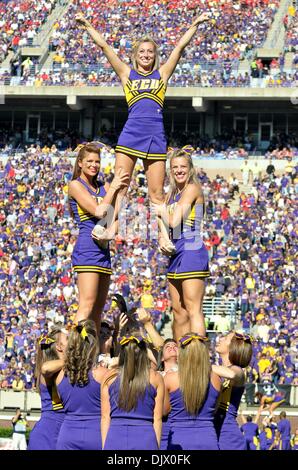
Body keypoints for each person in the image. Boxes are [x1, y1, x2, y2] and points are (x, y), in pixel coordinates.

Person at [75, 11, 212, 208]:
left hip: (155, 135)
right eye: (142, 52)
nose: (146, 55)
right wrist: (87, 25)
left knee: (156, 194)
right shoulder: (126, 73)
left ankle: (165, 237)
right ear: (135, 55)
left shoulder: (162, 74)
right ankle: (109, 229)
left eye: (150, 52)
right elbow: (105, 47)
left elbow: (180, 48)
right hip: (131, 133)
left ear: (155, 56)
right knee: (120, 187)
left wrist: (195, 24)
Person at [68, 143, 129, 333]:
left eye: (97, 161)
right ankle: (73, 354)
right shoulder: (75, 185)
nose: (94, 165)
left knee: (97, 310)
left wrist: (111, 232)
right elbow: (100, 210)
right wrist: (113, 190)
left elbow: (115, 215)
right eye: (90, 161)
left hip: (103, 249)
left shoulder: (104, 186)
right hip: (87, 246)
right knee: (86, 305)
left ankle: (91, 354)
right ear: (80, 163)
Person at [154, 149, 210, 340]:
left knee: (193, 309)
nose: (179, 170)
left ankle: (198, 357)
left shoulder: (192, 188)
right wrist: (162, 237)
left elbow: (174, 221)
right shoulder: (171, 194)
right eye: (175, 167)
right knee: (178, 312)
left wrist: (161, 210)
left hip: (192, 250)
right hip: (176, 253)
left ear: (190, 169)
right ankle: (179, 358)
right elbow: (163, 223)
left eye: (183, 167)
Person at [101, 332, 164, 450]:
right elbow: (157, 418)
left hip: (115, 436)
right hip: (145, 437)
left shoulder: (109, 377)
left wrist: (105, 446)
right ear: (144, 353)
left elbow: (105, 417)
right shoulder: (156, 377)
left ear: (122, 353)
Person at [53, 320, 107, 450]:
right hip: (96, 435)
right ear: (93, 345)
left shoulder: (59, 375)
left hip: (67, 435)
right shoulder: (103, 374)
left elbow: (58, 403)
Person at [163, 333, 221, 450]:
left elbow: (164, 411)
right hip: (208, 439)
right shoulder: (215, 378)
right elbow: (214, 409)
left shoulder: (170, 378)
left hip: (179, 440)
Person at [28, 326, 68, 450]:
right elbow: (46, 368)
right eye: (68, 339)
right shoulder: (49, 371)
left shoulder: (61, 369)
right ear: (59, 346)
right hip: (48, 433)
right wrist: (75, 360)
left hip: (59, 430)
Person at [213, 331, 253, 450]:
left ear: (233, 347)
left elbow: (232, 374)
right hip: (213, 430)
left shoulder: (238, 370)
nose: (220, 339)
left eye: (225, 338)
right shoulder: (217, 370)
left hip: (228, 436)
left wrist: (197, 366)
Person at [157, 338, 178, 451]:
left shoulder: (187, 375)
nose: (172, 347)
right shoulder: (155, 375)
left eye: (175, 346)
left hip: (177, 428)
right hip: (159, 428)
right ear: (161, 357)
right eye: (167, 346)